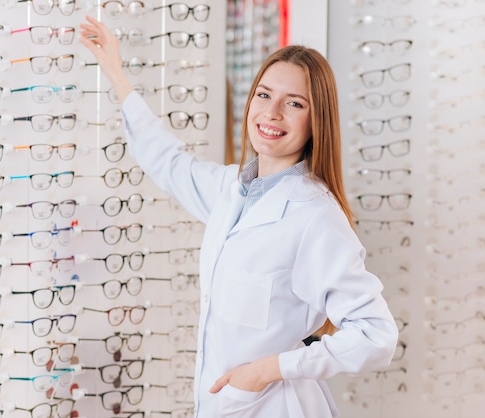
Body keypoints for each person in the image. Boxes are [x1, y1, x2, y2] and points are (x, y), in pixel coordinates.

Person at [80, 16, 399, 418]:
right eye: (264, 95)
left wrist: (269, 370)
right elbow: (168, 161)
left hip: (274, 406)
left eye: (295, 103)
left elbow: (376, 336)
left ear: (316, 121)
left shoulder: (316, 217)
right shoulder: (232, 191)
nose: (272, 112)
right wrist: (116, 73)